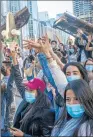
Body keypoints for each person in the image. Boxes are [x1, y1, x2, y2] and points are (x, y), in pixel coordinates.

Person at [9, 50, 55, 137]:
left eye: (31, 90)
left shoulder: (47, 112)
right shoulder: (28, 101)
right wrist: (14, 60)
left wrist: (23, 135)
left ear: (39, 92)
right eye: (27, 89)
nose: (27, 92)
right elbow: (19, 82)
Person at [1, 61, 16, 136]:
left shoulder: (11, 81)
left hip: (6, 123)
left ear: (9, 68)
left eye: (4, 66)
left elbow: (6, 90)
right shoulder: (4, 78)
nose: (2, 68)